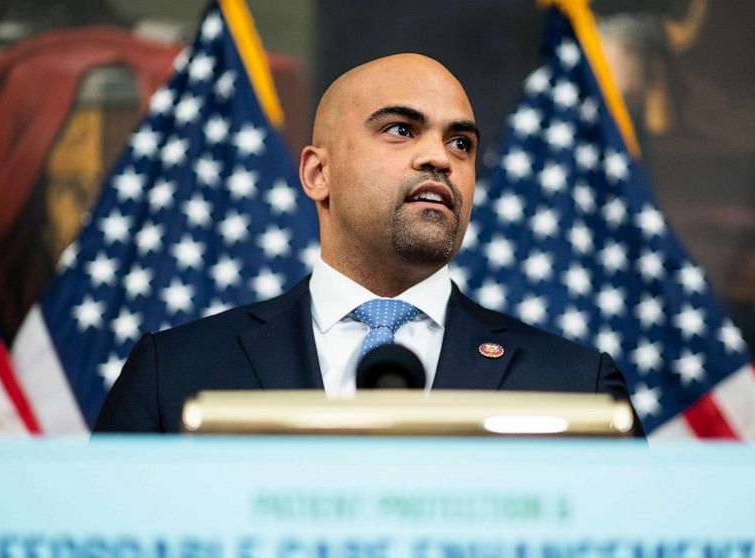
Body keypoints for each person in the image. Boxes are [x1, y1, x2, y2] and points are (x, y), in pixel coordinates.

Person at [94, 53, 643, 435]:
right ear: (317, 174)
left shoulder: (577, 387)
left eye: (461, 142)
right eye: (401, 129)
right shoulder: (177, 373)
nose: (439, 158)